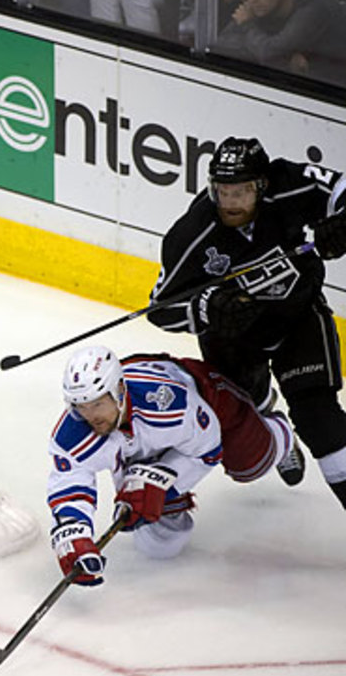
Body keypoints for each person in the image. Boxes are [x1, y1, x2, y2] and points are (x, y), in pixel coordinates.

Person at [147, 136, 346, 510]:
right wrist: (206, 307)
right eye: (223, 191)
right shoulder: (192, 235)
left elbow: (341, 189)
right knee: (247, 417)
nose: (231, 202)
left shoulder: (288, 182)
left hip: (297, 317)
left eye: (241, 192)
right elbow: (160, 308)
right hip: (235, 339)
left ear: (262, 185)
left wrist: (342, 222)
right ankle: (273, 420)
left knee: (320, 420)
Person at [48, 346, 301, 585]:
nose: (91, 416)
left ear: (119, 391)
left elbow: (208, 450)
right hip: (147, 432)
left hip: (209, 399)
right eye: (81, 407)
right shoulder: (74, 430)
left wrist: (161, 483)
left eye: (97, 404)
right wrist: (74, 533)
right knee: (161, 544)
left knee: (250, 466)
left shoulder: (171, 405)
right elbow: (70, 480)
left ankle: (278, 429)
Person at [213, 0, 346, 86]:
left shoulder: (314, 10)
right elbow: (220, 47)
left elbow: (269, 53)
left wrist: (247, 26)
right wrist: (285, 59)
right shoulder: (261, 7)